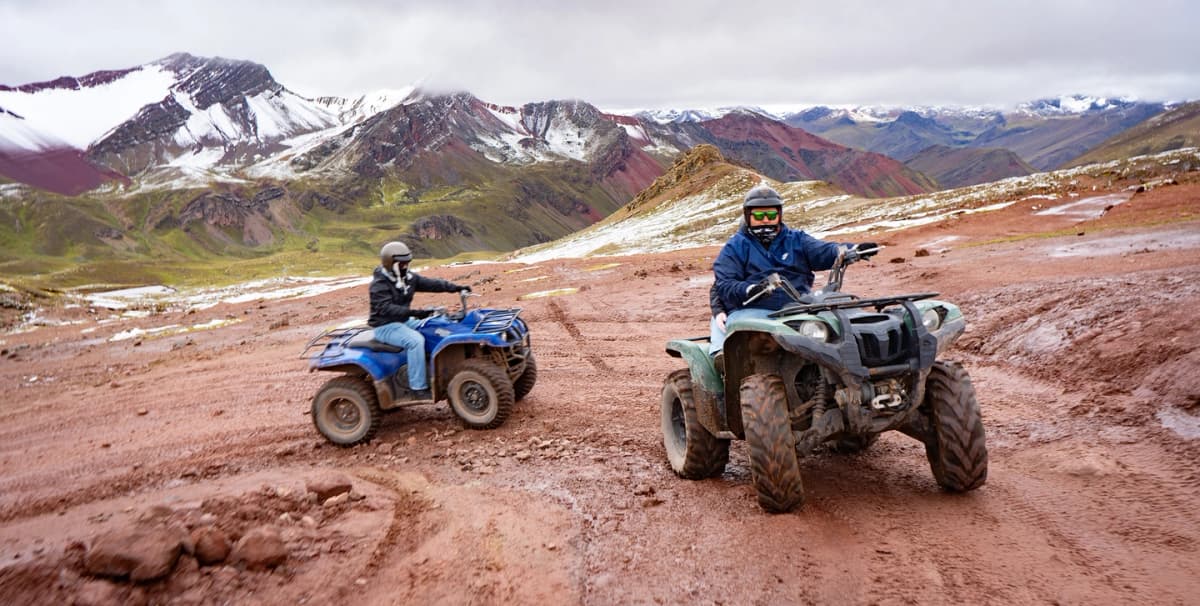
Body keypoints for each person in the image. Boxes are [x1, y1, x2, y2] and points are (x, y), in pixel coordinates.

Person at [709, 185, 877, 354]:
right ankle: (726, 361)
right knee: (753, 345)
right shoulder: (735, 246)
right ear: (748, 216)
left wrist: (852, 250)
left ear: (779, 215)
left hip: (797, 308)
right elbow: (724, 283)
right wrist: (750, 289)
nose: (765, 220)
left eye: (771, 215)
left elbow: (824, 250)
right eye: (759, 215)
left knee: (834, 332)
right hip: (752, 312)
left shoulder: (796, 239)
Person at [368, 241, 471, 400]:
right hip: (385, 326)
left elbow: (431, 284)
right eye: (401, 263)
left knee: (437, 326)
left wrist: (456, 287)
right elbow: (386, 308)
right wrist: (415, 313)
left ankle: (438, 368)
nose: (405, 266)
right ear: (391, 263)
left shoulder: (407, 278)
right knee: (415, 341)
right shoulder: (379, 285)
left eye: (407, 262)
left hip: (404, 321)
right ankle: (417, 387)